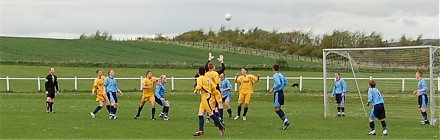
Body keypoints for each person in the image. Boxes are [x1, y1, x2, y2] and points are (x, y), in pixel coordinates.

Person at [193, 67, 225, 136]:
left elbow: (199, 86)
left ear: (199, 73)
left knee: (210, 114)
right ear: (204, 72)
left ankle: (221, 127)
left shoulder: (199, 78)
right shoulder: (208, 79)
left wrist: (196, 91)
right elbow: (214, 86)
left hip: (206, 98)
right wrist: (216, 93)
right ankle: (201, 131)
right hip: (205, 97)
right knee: (200, 114)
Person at [269, 64, 290, 130]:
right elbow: (286, 82)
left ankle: (286, 121)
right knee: (279, 108)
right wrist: (282, 87)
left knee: (276, 109)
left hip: (278, 93)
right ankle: (285, 121)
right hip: (281, 92)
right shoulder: (281, 74)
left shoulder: (275, 75)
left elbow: (278, 83)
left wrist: (273, 88)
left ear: (273, 69)